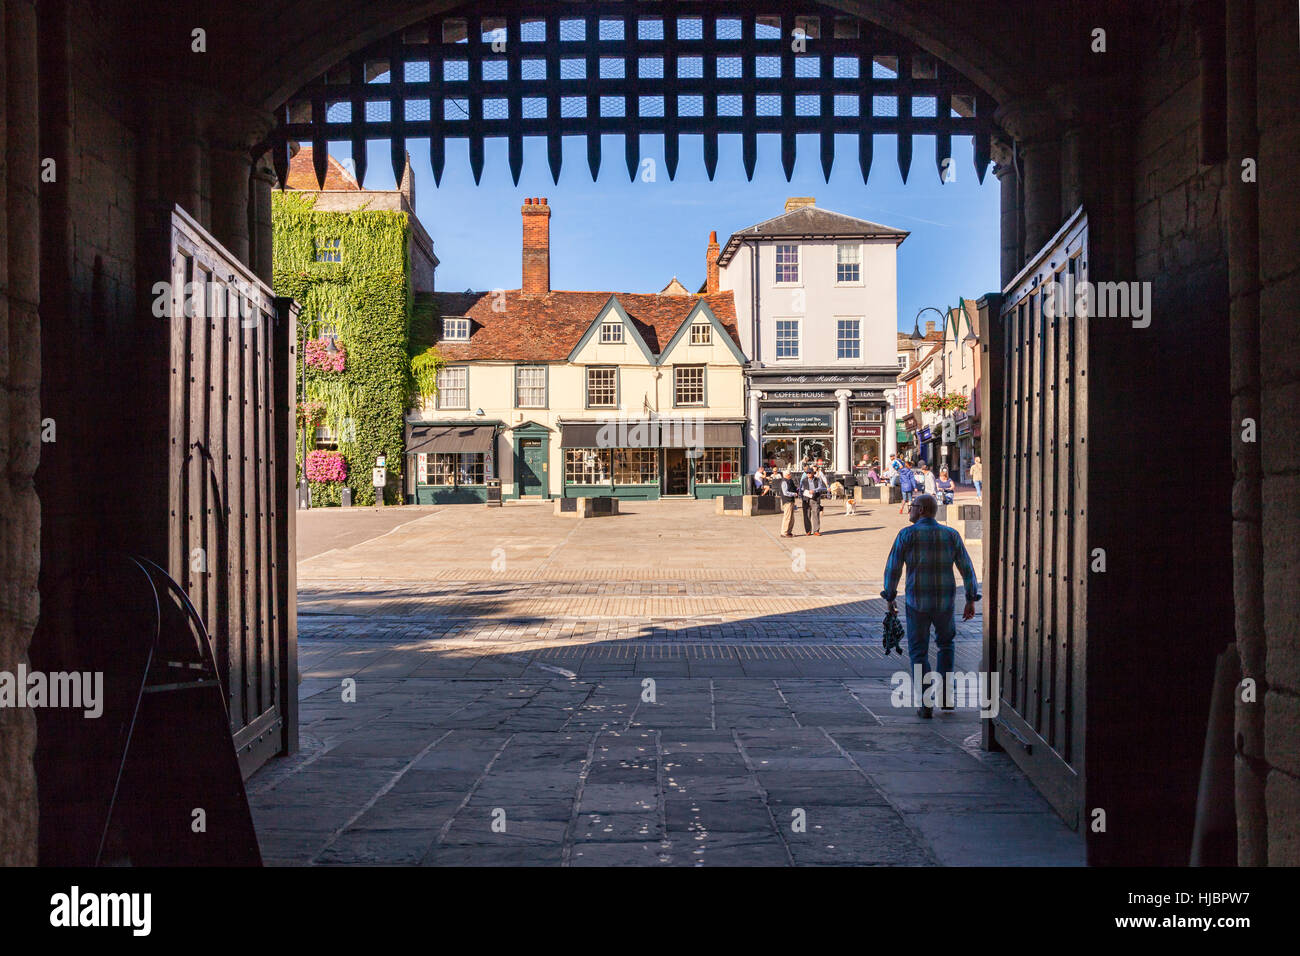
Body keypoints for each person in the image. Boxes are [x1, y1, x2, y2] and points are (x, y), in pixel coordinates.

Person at [881, 494, 981, 717]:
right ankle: (946, 698)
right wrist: (970, 597)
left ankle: (926, 703)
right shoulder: (950, 535)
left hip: (916, 602)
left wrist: (890, 597)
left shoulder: (906, 535)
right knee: (946, 646)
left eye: (912, 507)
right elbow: (967, 568)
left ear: (923, 509)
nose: (910, 510)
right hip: (944, 602)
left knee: (919, 651)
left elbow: (893, 568)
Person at [799, 465, 828, 536]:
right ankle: (808, 531)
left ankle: (816, 530)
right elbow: (801, 489)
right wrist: (803, 494)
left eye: (809, 472)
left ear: (813, 473)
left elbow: (820, 487)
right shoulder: (804, 480)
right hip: (806, 499)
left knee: (816, 515)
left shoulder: (817, 479)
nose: (808, 474)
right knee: (806, 515)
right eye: (807, 473)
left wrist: (814, 491)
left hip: (815, 498)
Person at [778, 469, 799, 537]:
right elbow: (785, 492)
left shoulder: (789, 481)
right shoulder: (784, 481)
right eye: (790, 474)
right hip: (787, 501)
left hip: (791, 501)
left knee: (791, 518)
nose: (791, 475)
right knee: (787, 517)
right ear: (786, 475)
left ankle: (789, 531)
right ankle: (784, 532)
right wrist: (794, 494)